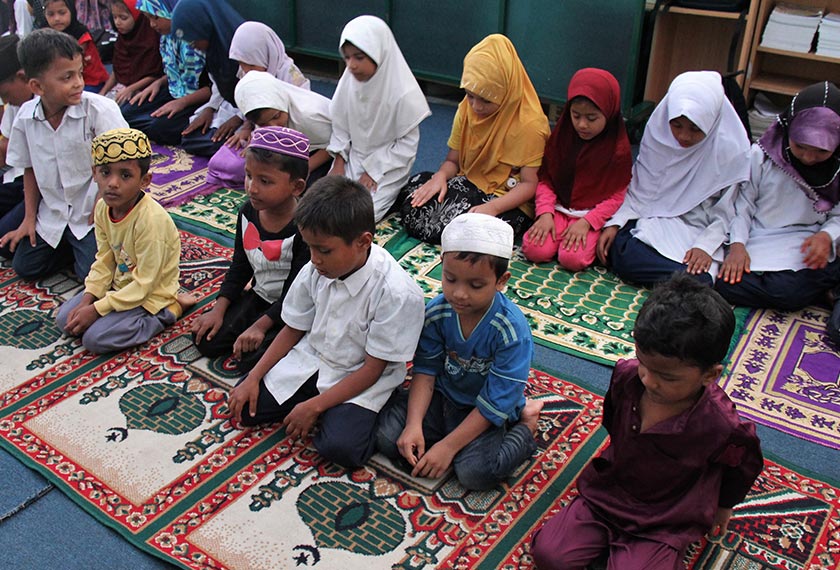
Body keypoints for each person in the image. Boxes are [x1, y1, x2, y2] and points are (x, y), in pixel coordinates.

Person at [530, 273, 763, 569]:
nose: (649, 381)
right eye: (643, 363)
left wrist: (724, 506)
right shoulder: (627, 376)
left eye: (667, 377)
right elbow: (613, 421)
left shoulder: (720, 424)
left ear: (709, 375)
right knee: (550, 555)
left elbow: (742, 465)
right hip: (609, 493)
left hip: (667, 514)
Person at [226, 176, 425, 469]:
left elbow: (372, 369)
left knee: (340, 449)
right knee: (245, 408)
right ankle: (320, 408)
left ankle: (384, 409)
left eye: (324, 250)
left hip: (360, 377)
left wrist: (314, 406)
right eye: (311, 247)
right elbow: (293, 327)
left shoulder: (396, 293)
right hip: (315, 357)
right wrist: (255, 377)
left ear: (363, 242)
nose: (315, 259)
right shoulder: (315, 268)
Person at [376, 213, 543, 490]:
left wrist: (448, 447)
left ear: (501, 281)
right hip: (442, 398)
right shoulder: (438, 313)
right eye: (451, 279)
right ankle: (438, 436)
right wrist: (413, 425)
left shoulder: (511, 332)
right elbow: (425, 371)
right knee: (386, 437)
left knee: (475, 474)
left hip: (482, 410)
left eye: (476, 285)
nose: (460, 294)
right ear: (441, 266)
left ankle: (526, 427)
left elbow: (494, 403)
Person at [712, 82, 840, 342]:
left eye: (821, 151)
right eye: (800, 146)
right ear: (788, 127)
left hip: (806, 241)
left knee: (786, 292)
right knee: (720, 277)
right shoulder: (762, 155)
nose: (808, 157)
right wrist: (737, 246)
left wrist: (826, 236)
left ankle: (823, 283)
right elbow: (743, 204)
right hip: (758, 237)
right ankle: (825, 287)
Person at [596, 71, 751, 286]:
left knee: (702, 277)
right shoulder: (660, 134)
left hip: (700, 227)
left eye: (695, 129)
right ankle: (683, 281)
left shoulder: (730, 150)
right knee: (624, 251)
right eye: (676, 125)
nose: (683, 136)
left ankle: (689, 281)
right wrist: (616, 223)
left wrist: (705, 246)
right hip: (659, 219)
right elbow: (642, 190)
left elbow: (727, 212)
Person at [0, 28, 127, 280]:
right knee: (24, 266)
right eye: (67, 77)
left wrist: (103, 201)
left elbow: (121, 163)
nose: (79, 82)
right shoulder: (26, 117)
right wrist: (29, 217)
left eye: (79, 73)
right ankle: (70, 246)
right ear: (36, 86)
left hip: (92, 210)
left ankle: (84, 248)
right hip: (54, 212)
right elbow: (29, 169)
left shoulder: (99, 110)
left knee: (92, 276)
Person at [401, 34, 549, 244]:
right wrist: (441, 176)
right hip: (470, 182)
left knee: (463, 228)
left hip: (506, 198)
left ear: (506, 92)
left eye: (486, 100)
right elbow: (454, 161)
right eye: (470, 95)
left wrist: (493, 208)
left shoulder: (529, 125)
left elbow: (529, 185)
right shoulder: (466, 108)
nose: (476, 106)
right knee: (416, 193)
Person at [55, 128, 193, 353]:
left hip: (149, 294)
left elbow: (145, 284)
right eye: (105, 173)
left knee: (94, 340)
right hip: (119, 286)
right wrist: (88, 299)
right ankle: (110, 311)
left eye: (125, 175)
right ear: (94, 173)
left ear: (145, 180)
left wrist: (98, 309)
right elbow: (104, 260)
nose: (112, 183)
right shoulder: (102, 208)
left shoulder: (151, 221)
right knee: (66, 321)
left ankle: (170, 310)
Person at [192, 126, 311, 372]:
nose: (252, 188)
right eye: (249, 176)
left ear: (296, 187)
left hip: (293, 307)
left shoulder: (305, 228)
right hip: (260, 296)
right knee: (207, 341)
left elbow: (296, 291)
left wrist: (261, 326)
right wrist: (218, 309)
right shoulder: (248, 212)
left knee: (253, 359)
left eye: (265, 181)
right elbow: (240, 265)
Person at [521, 68, 631, 272]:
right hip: (557, 210)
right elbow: (546, 179)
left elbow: (618, 195)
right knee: (534, 250)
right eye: (576, 115)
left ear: (609, 113)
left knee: (573, 259)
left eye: (591, 118)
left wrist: (589, 222)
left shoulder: (618, 150)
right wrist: (545, 213)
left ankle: (575, 239)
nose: (582, 124)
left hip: (589, 217)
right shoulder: (562, 138)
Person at [326, 15, 430, 222]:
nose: (352, 65)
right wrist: (339, 161)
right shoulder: (348, 82)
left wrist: (373, 171)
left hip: (388, 165)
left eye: (359, 57)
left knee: (359, 216)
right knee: (328, 204)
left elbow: (407, 146)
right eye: (347, 58)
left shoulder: (404, 93)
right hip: (354, 157)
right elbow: (340, 125)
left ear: (379, 53)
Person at [205, 21, 311, 189]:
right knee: (217, 163)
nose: (246, 70)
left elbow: (297, 121)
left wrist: (264, 141)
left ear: (267, 54)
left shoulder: (290, 75)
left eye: (252, 64)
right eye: (242, 63)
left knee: (244, 168)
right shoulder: (247, 72)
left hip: (287, 140)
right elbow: (250, 109)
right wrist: (247, 129)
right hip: (259, 133)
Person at [121, 0, 208, 147]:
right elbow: (174, 73)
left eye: (156, 17)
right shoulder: (167, 37)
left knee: (161, 127)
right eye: (148, 18)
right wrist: (158, 83)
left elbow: (212, 89)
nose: (152, 24)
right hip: (174, 90)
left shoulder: (198, 41)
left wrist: (181, 102)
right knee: (126, 113)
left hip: (198, 98)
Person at [226, 70, 332, 189]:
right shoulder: (264, 110)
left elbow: (334, 144)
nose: (274, 126)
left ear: (282, 102)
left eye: (276, 117)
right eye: (263, 124)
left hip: (325, 152)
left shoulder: (309, 116)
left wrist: (306, 169)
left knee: (303, 188)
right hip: (298, 150)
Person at [170, 0, 243, 157]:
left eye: (193, 39)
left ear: (205, 26)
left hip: (256, 112)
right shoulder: (215, 47)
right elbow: (218, 83)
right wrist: (210, 108)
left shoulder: (242, 43)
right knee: (189, 139)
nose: (192, 45)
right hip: (231, 105)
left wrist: (240, 119)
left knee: (219, 144)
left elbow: (261, 89)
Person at [0, 35, 32, 259]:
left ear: (21, 77)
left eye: (5, 94)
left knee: (4, 241)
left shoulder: (47, 102)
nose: (6, 101)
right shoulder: (16, 103)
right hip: (17, 176)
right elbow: (6, 148)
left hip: (37, 185)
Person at [98, 0, 163, 105]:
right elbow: (117, 70)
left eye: (123, 18)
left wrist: (130, 89)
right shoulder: (122, 39)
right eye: (115, 17)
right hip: (122, 88)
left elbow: (155, 74)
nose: (118, 22)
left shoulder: (150, 41)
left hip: (145, 89)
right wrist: (102, 92)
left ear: (137, 16)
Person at [43, 0, 109, 91]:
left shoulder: (80, 33)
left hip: (89, 80)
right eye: (51, 14)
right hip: (64, 77)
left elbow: (70, 60)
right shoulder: (46, 33)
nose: (56, 18)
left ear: (72, 11)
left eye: (62, 13)